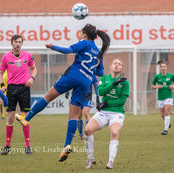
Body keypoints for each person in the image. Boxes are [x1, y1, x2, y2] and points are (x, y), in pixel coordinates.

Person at [16, 23, 110, 162]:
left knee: (48, 96)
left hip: (73, 75)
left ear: (84, 34)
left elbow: (67, 51)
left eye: (81, 33)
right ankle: (67, 145)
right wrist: (89, 68)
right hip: (85, 83)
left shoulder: (84, 43)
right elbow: (100, 72)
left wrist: (52, 46)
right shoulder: (99, 52)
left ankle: (27, 119)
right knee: (72, 115)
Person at [84, 58, 129, 169]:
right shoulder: (104, 78)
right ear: (111, 66)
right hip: (103, 112)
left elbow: (122, 102)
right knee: (87, 130)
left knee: (114, 133)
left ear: (121, 68)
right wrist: (114, 84)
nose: (117, 65)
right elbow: (101, 92)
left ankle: (110, 162)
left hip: (117, 113)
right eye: (115, 63)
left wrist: (107, 103)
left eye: (119, 64)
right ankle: (90, 158)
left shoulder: (125, 83)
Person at [0, 34, 37, 155]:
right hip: (12, 89)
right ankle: (7, 146)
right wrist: (2, 85)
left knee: (25, 118)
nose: (18, 44)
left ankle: (28, 146)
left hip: (25, 88)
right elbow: (0, 72)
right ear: (12, 43)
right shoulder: (6, 57)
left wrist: (32, 78)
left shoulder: (27, 55)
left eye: (20, 42)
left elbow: (34, 68)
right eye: (16, 42)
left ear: (22, 43)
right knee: (10, 117)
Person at [151, 60, 174, 135]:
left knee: (166, 111)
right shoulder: (157, 76)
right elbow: (152, 86)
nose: (163, 68)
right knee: (162, 114)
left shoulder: (171, 76)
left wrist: (173, 86)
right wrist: (157, 86)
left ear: (167, 68)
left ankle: (165, 130)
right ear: (160, 68)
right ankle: (168, 122)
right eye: (161, 67)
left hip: (168, 96)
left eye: (164, 66)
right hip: (160, 97)